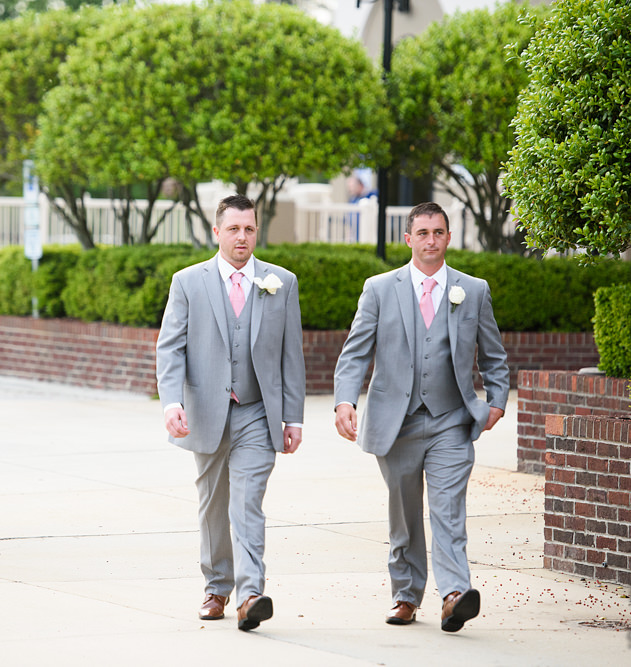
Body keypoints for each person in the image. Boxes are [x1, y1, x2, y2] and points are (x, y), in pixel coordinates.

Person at [333, 201, 508, 632]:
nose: (431, 240)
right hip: (396, 424)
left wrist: (497, 401)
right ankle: (406, 596)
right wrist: (344, 400)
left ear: (449, 237)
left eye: (439, 232)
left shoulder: (474, 289)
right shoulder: (378, 288)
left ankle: (453, 595)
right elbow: (355, 352)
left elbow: (493, 354)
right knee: (405, 515)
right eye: (423, 233)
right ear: (408, 239)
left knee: (448, 510)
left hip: (452, 420)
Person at [156, 194, 306, 632]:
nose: (242, 236)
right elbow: (171, 347)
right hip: (205, 410)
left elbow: (290, 356)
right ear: (217, 231)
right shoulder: (188, 281)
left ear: (257, 232)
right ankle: (216, 586)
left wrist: (292, 418)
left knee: (247, 501)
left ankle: (250, 593)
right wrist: (171, 402)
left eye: (249, 229)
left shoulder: (282, 282)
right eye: (234, 228)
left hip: (258, 413)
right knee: (212, 504)